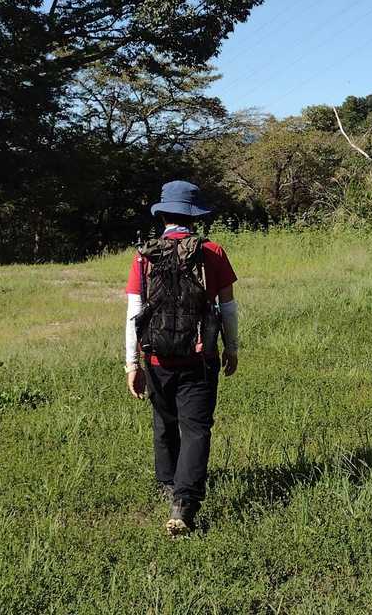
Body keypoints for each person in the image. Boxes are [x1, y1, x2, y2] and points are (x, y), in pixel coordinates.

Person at [125, 180, 239, 537]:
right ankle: (184, 503)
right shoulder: (213, 252)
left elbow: (133, 313)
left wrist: (132, 364)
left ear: (163, 216)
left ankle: (168, 483)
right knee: (196, 429)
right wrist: (232, 347)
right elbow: (228, 308)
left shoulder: (144, 256)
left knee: (164, 421)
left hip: (156, 359)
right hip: (200, 357)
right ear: (194, 217)